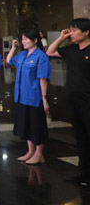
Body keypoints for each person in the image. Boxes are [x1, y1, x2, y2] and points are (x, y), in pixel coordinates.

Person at [47, 18, 90, 186]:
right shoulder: (71, 49)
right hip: (73, 99)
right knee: (80, 137)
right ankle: (83, 173)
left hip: (88, 100)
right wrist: (61, 37)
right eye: (70, 30)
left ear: (86, 32)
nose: (71, 33)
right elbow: (50, 52)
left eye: (74, 30)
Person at [6, 29, 51, 165]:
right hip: (22, 96)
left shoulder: (41, 56)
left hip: (34, 97)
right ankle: (30, 151)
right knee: (26, 125)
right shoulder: (22, 54)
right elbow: (9, 61)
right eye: (22, 39)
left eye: (26, 39)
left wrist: (44, 98)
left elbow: (43, 79)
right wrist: (13, 48)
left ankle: (39, 154)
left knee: (37, 126)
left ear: (35, 40)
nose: (23, 41)